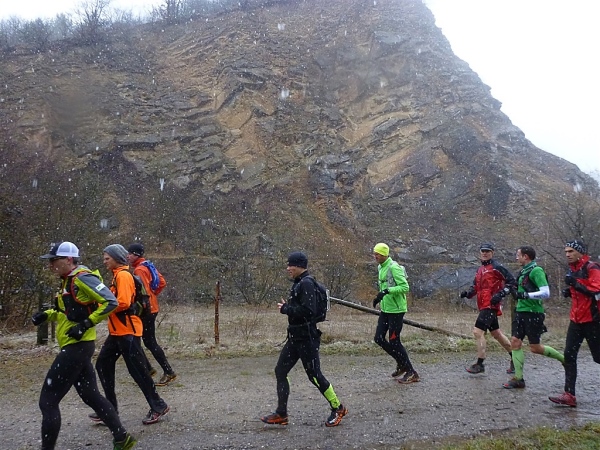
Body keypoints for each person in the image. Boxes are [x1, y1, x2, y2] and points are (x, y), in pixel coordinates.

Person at [34, 241, 136, 450]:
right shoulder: (67, 281)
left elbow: (111, 302)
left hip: (77, 347)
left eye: (54, 260)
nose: (51, 265)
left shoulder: (82, 278)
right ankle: (122, 438)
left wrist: (86, 325)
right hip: (76, 346)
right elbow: (67, 313)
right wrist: (47, 315)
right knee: (91, 396)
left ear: (69, 259)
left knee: (48, 401)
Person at [260, 251, 348, 427]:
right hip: (295, 337)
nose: (288, 268)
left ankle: (338, 407)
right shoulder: (299, 283)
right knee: (280, 371)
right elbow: (302, 308)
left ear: (300, 266)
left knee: (314, 375)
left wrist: (286, 309)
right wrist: (289, 307)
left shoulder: (306, 283)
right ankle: (281, 413)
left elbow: (308, 311)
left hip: (307, 338)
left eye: (291, 265)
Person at [93, 244, 170, 425]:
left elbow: (123, 303)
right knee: (103, 365)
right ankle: (109, 409)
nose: (104, 261)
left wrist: (101, 306)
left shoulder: (123, 276)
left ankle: (158, 406)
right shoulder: (117, 275)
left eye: (107, 258)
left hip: (128, 331)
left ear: (116, 258)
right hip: (118, 332)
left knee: (138, 371)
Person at [502, 246, 564, 389]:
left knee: (535, 348)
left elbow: (545, 292)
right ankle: (518, 378)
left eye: (518, 255)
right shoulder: (523, 272)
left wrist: (525, 295)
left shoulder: (537, 271)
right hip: (520, 311)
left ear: (526, 256)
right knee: (515, 342)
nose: (516, 258)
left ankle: (564, 360)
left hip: (533, 313)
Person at [549, 240, 600, 407]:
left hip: (593, 320)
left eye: (571, 251)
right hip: (576, 320)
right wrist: (569, 291)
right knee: (569, 355)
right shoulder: (573, 269)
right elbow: (581, 291)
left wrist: (575, 284)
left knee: (598, 357)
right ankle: (569, 394)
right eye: (566, 251)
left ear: (580, 252)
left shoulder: (592, 267)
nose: (567, 254)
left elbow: (596, 290)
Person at [127, 243, 176, 386]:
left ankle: (163, 371)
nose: (127, 256)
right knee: (145, 341)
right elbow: (162, 282)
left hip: (146, 310)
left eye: (129, 254)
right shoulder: (148, 265)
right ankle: (151, 370)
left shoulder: (139, 270)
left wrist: (144, 301)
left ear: (136, 255)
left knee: (140, 341)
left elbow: (143, 292)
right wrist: (154, 295)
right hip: (152, 308)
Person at [461, 243, 515, 374]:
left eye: (487, 251)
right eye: (483, 251)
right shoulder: (480, 269)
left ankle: (480, 364)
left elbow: (512, 282)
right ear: (480, 253)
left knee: (477, 332)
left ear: (492, 253)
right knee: (497, 334)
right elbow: (476, 287)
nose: (485, 253)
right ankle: (516, 359)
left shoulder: (497, 267)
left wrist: (501, 294)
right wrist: (468, 294)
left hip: (490, 305)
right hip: (483, 305)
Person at [371, 243, 419, 383]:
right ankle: (402, 363)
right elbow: (384, 286)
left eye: (377, 254)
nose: (375, 256)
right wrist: (379, 297)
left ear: (384, 254)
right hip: (386, 310)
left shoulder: (394, 267)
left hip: (396, 311)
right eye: (374, 253)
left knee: (394, 341)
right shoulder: (381, 267)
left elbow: (405, 287)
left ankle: (411, 372)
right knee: (378, 338)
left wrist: (387, 291)